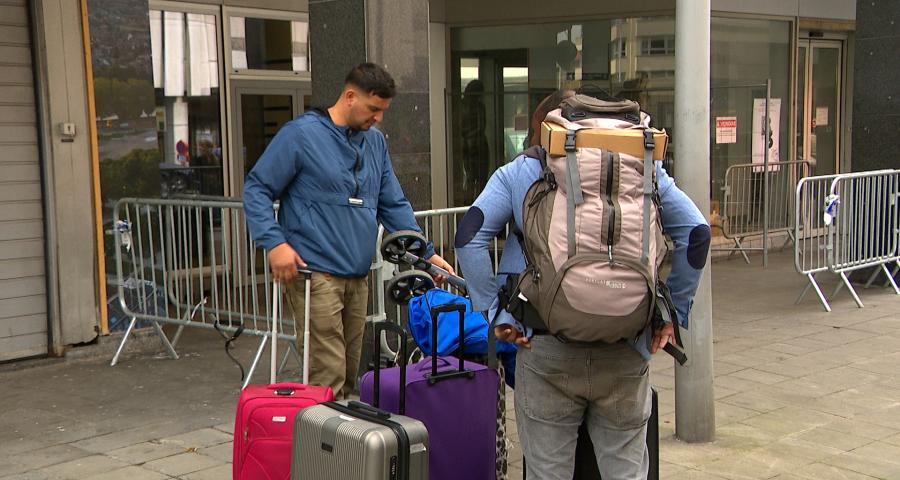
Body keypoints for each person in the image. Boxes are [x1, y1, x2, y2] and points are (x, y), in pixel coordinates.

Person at [455, 88, 710, 479]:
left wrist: (495, 312)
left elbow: (469, 236)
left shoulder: (521, 171)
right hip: (625, 346)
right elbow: (697, 234)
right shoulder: (643, 166)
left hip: (544, 347)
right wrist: (670, 313)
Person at [243, 62, 454, 398]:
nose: (379, 118)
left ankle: (341, 445)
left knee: (349, 373)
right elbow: (256, 188)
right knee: (327, 377)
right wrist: (274, 243)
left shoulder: (375, 143)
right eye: (374, 109)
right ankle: (322, 447)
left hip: (356, 277)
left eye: (383, 110)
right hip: (315, 274)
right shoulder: (301, 135)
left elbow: (393, 204)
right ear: (350, 96)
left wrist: (427, 255)